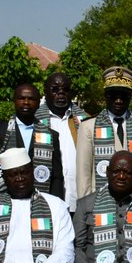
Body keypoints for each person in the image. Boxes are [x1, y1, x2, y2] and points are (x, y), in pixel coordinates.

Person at [76, 66, 132, 197]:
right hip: (99, 200)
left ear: (130, 96)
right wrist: (85, 204)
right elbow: (83, 172)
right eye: (113, 96)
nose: (118, 100)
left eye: (123, 96)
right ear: (105, 96)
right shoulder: (88, 126)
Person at [0, 82, 67, 203]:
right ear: (14, 101)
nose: (26, 102)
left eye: (31, 99)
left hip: (42, 201)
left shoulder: (51, 135)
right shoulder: (0, 133)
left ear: (38, 103)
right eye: (21, 98)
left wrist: (56, 203)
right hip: (7, 200)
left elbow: (56, 176)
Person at [34, 72, 85, 213]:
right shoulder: (34, 122)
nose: (61, 94)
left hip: (78, 201)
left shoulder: (85, 121)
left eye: (65, 89)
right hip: (45, 199)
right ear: (45, 92)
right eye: (55, 89)